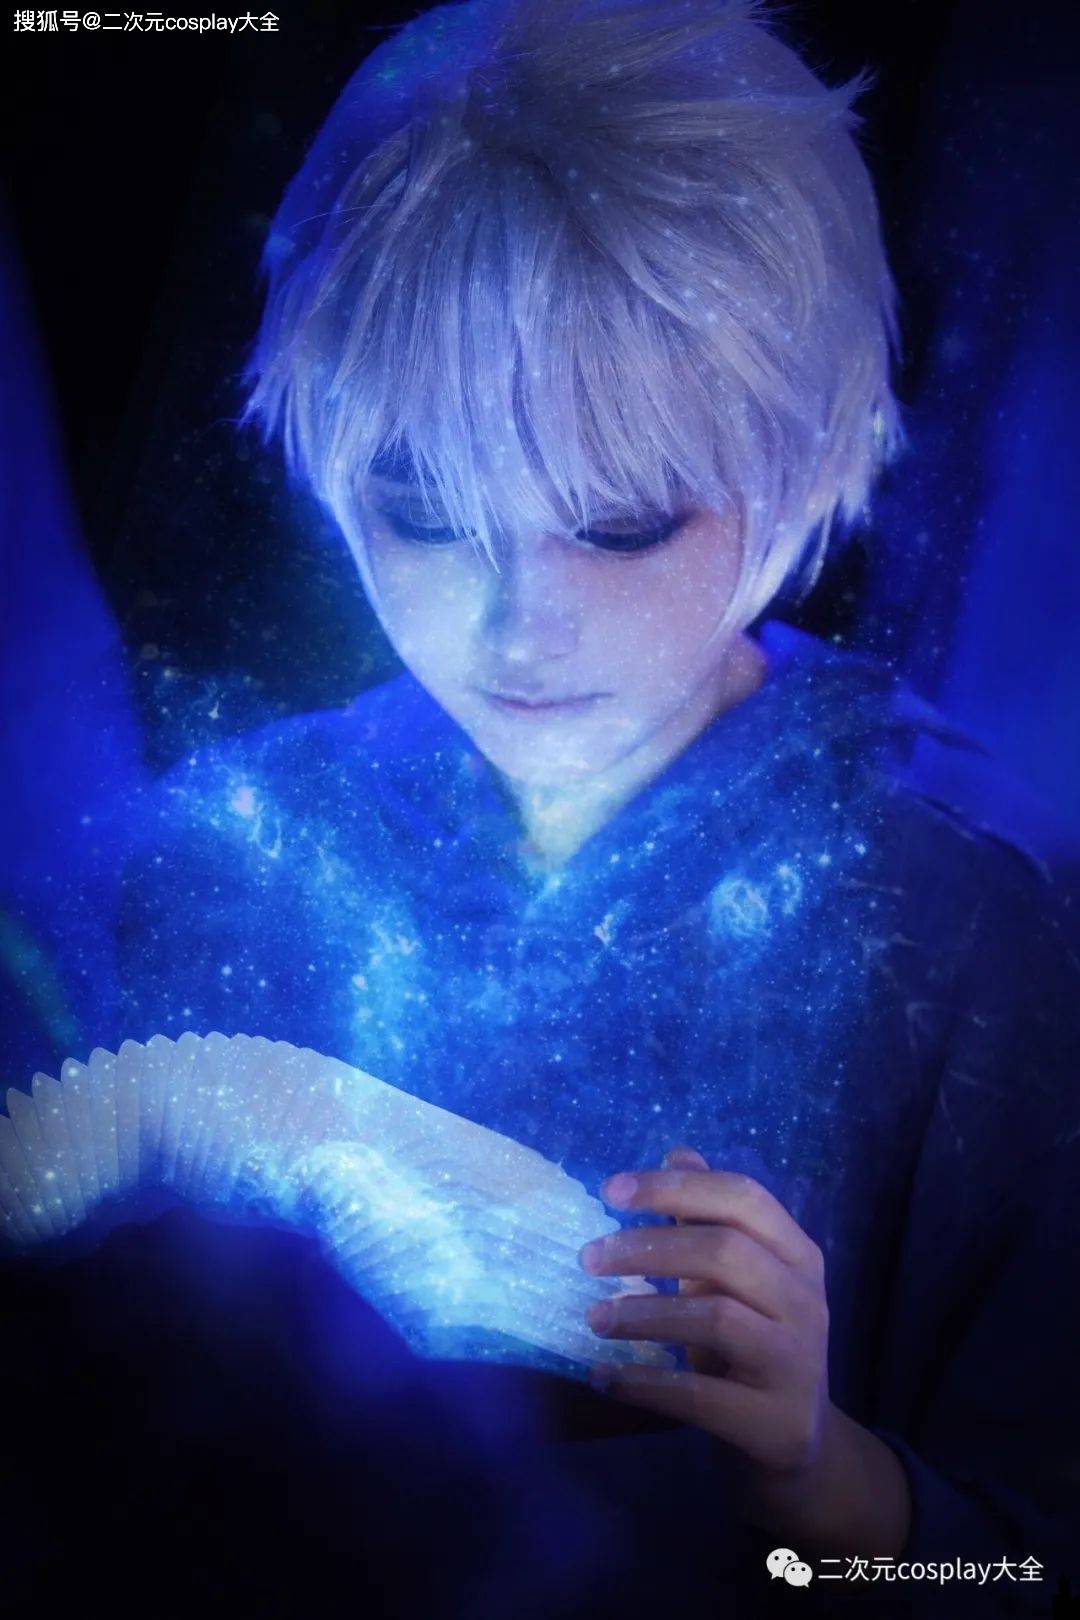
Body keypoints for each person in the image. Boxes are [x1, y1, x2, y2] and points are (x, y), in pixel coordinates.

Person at [43, 0, 1080, 1613]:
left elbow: (1024, 1561)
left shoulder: (976, 929)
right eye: (427, 513)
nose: (520, 629)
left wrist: (821, 1481)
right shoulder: (227, 854)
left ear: (803, 456)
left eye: (621, 523)